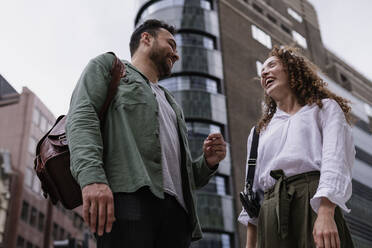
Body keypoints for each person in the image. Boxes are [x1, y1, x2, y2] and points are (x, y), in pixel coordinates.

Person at [66, 19, 226, 248]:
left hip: (178, 218)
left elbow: (182, 175)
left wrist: (208, 163)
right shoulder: (109, 67)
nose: (176, 54)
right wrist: (92, 179)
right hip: (129, 200)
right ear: (146, 39)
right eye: (171, 44)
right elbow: (81, 118)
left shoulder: (173, 104)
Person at [238, 45, 355, 248]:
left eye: (272, 65)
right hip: (270, 212)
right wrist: (250, 245)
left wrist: (326, 212)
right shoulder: (258, 133)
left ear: (292, 70)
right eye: (262, 71)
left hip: (313, 201)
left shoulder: (324, 108)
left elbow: (335, 160)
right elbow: (252, 195)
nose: (264, 72)